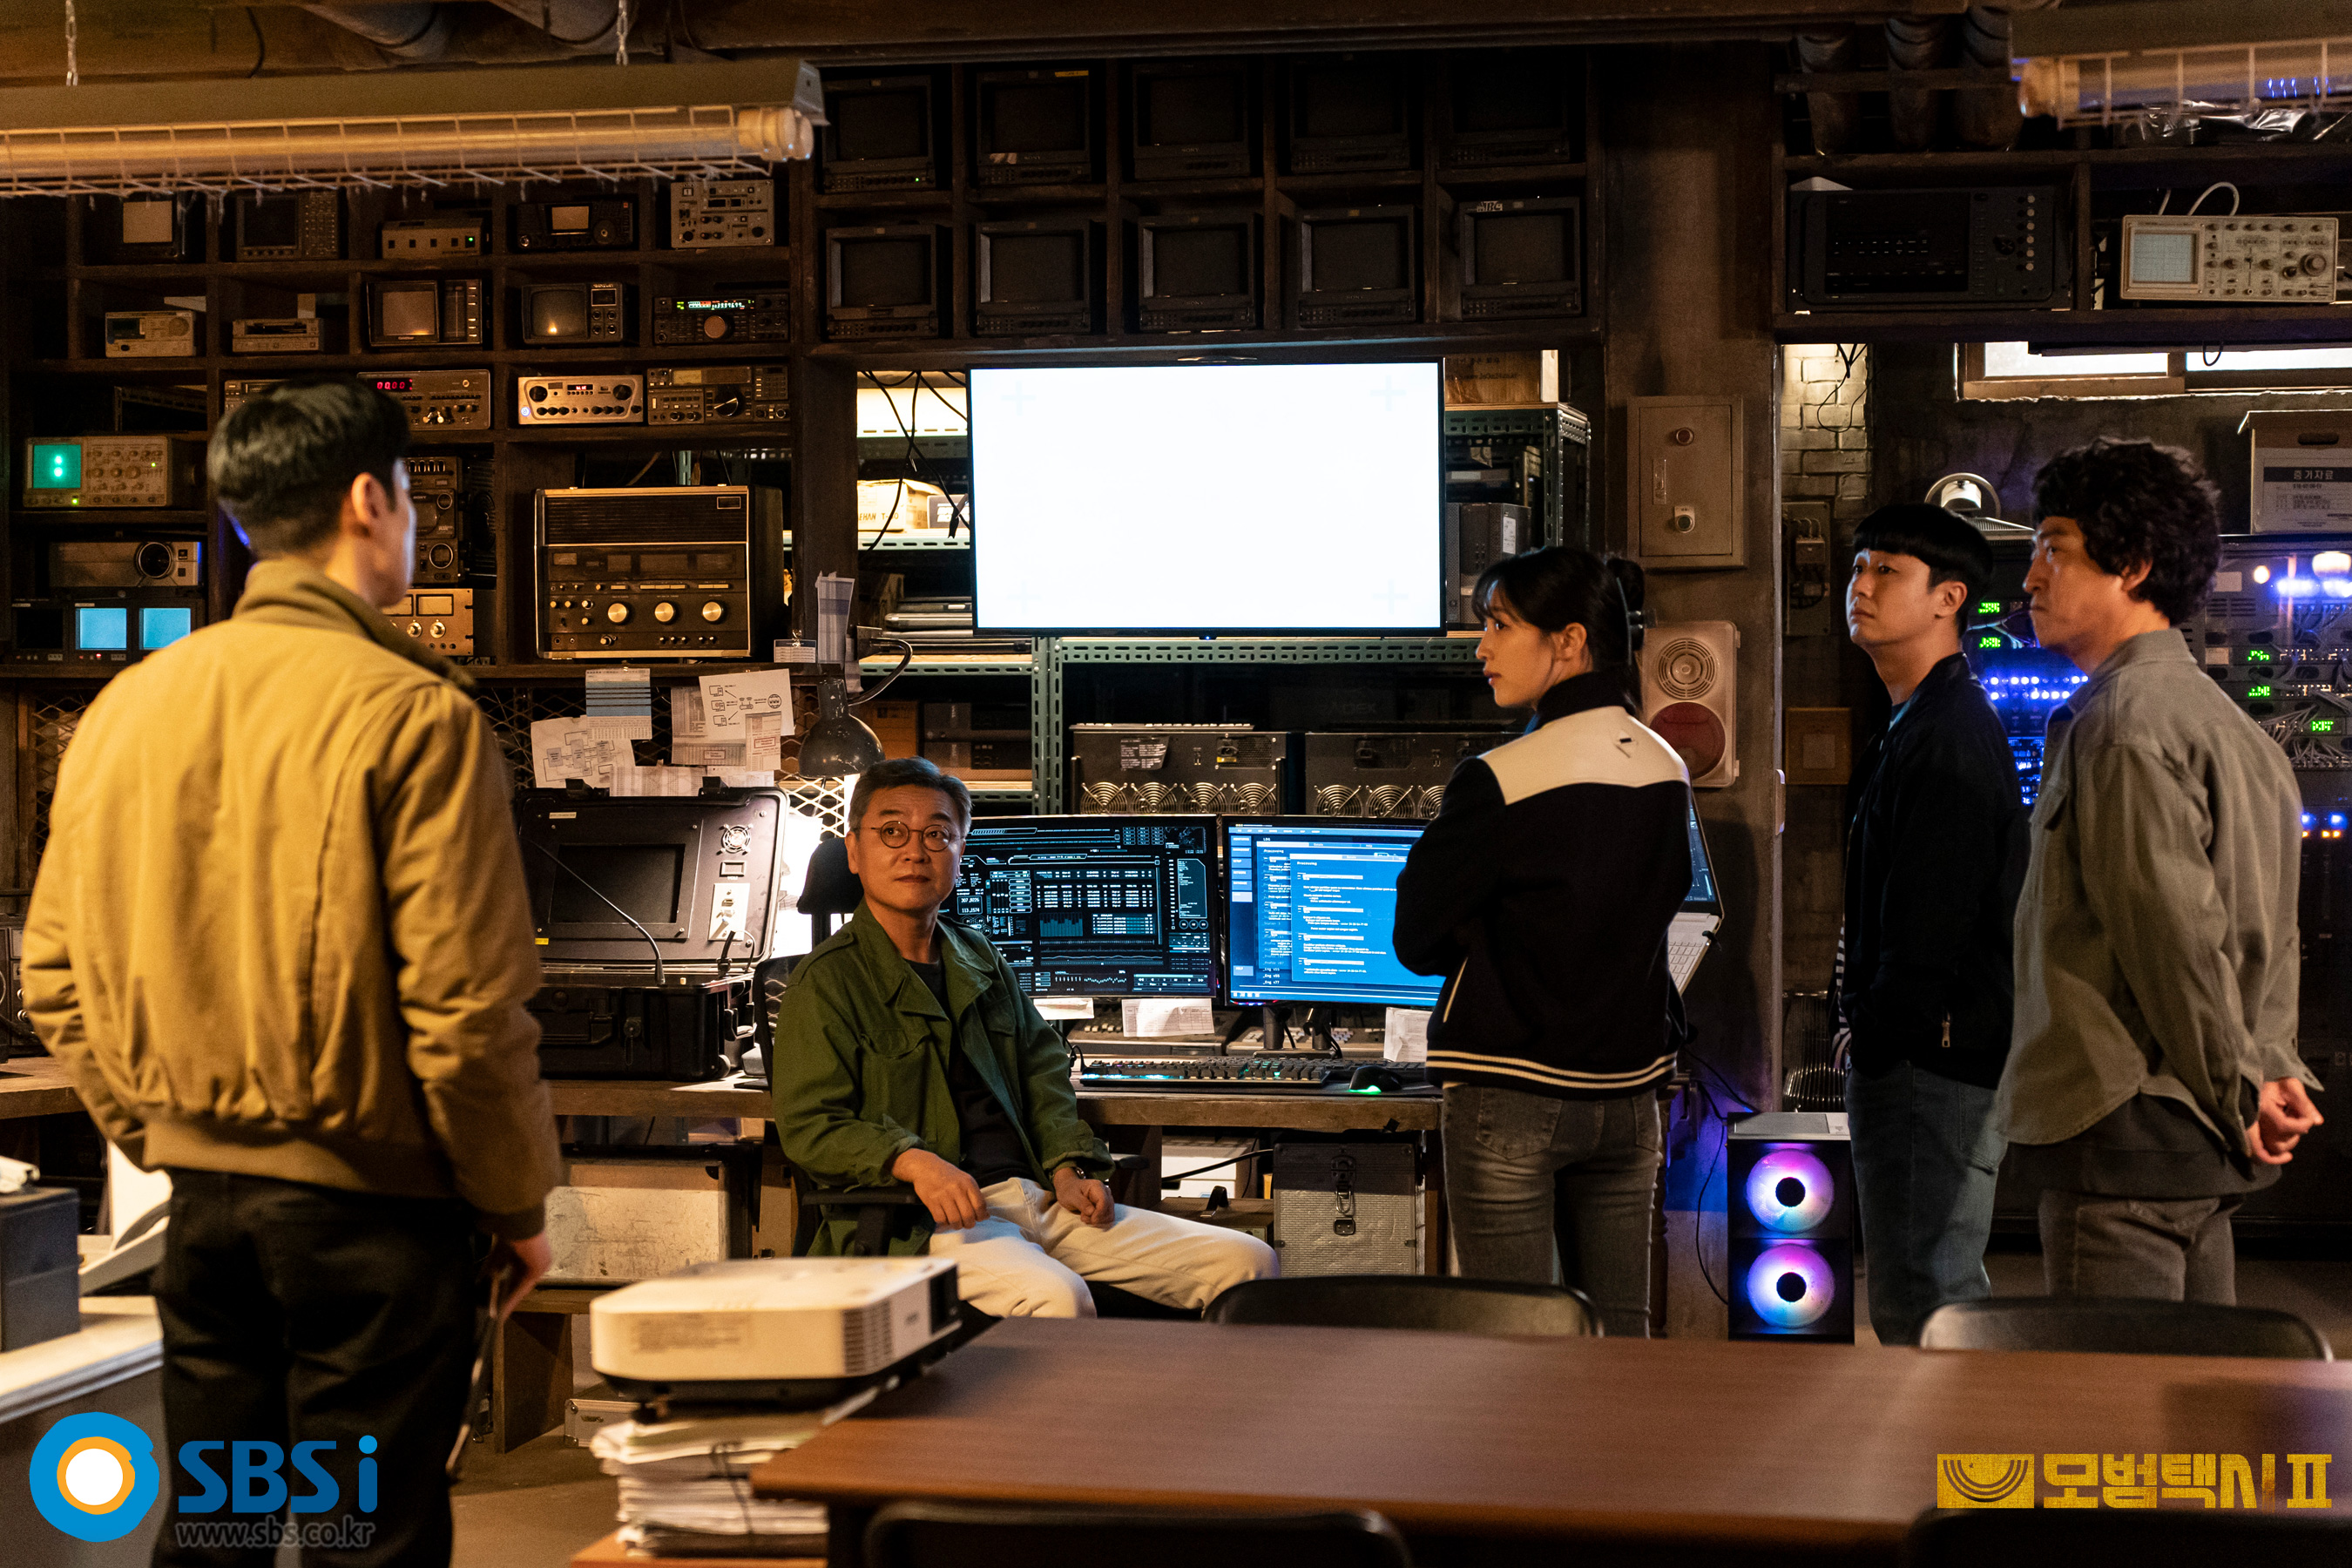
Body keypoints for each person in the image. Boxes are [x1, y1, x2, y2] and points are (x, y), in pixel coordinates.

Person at [24, 375, 561, 1565]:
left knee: (218, 1527)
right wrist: (517, 1203)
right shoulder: (416, 714)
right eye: (410, 492)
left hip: (204, 1216)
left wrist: (163, 1132)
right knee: (361, 1537)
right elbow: (466, 1014)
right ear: (370, 500)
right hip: (372, 1227)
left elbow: (52, 974)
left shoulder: (127, 706)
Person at [771, 757, 1276, 1317]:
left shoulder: (979, 956)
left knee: (1247, 1263)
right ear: (854, 852)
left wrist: (1067, 1165)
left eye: (937, 834)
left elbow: (1041, 1070)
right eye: (892, 831)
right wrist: (913, 1162)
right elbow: (812, 1126)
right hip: (927, 1221)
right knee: (1056, 1299)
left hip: (1034, 1195)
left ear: (960, 852)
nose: (915, 851)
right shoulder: (826, 983)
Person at [2004, 436, 2323, 1304]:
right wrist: (2266, 1071)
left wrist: (2241, 1088)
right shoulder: (2236, 728)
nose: (2031, 579)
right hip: (2201, 1134)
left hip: (2123, 1131)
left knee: (2114, 1386)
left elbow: (2174, 943)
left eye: (2054, 549)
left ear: (2134, 565)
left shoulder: (2121, 726)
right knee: (2194, 1381)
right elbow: (2272, 939)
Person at [1391, 547, 1688, 1336]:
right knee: (1620, 1340)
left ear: (1569, 641)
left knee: (1514, 1347)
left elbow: (1416, 938)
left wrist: (1482, 939)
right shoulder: (1666, 765)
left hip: (1509, 1090)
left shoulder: (1501, 777)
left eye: (1499, 625)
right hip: (1630, 1095)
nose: (1481, 648)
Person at [1838, 504, 2026, 1345]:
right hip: (1926, 1057)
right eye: (1860, 567)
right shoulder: (1918, 720)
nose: (1862, 586)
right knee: (1926, 1292)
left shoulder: (1946, 735)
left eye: (1888, 571)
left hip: (1933, 1064)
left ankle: (1958, 1439)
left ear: (1949, 598)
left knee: (1929, 1303)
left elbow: (1932, 921)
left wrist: (1881, 1034)